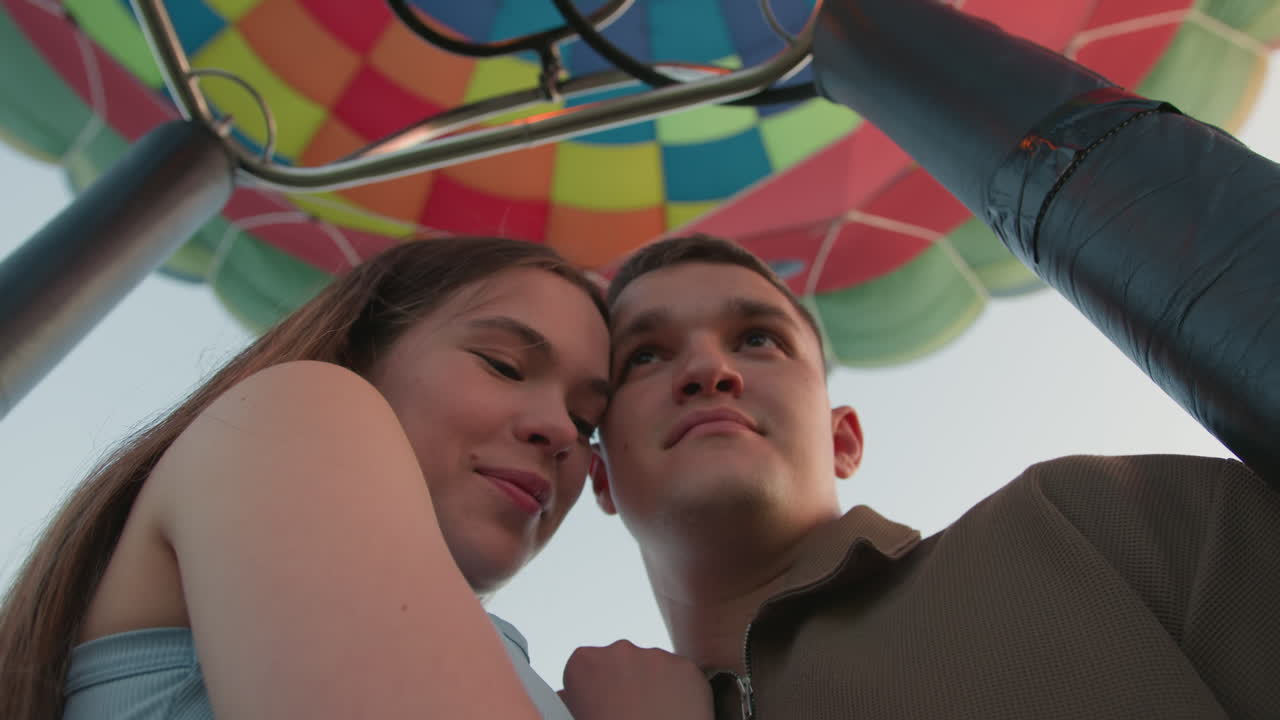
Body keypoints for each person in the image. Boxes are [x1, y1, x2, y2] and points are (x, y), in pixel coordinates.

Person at [0, 236, 710, 719]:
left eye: (586, 422)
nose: (561, 432)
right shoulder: (298, 406)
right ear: (360, 352)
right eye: (502, 365)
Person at [584, 234, 1280, 719]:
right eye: (643, 356)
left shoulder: (1093, 524)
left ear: (843, 439)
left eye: (758, 339)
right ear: (601, 477)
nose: (710, 370)